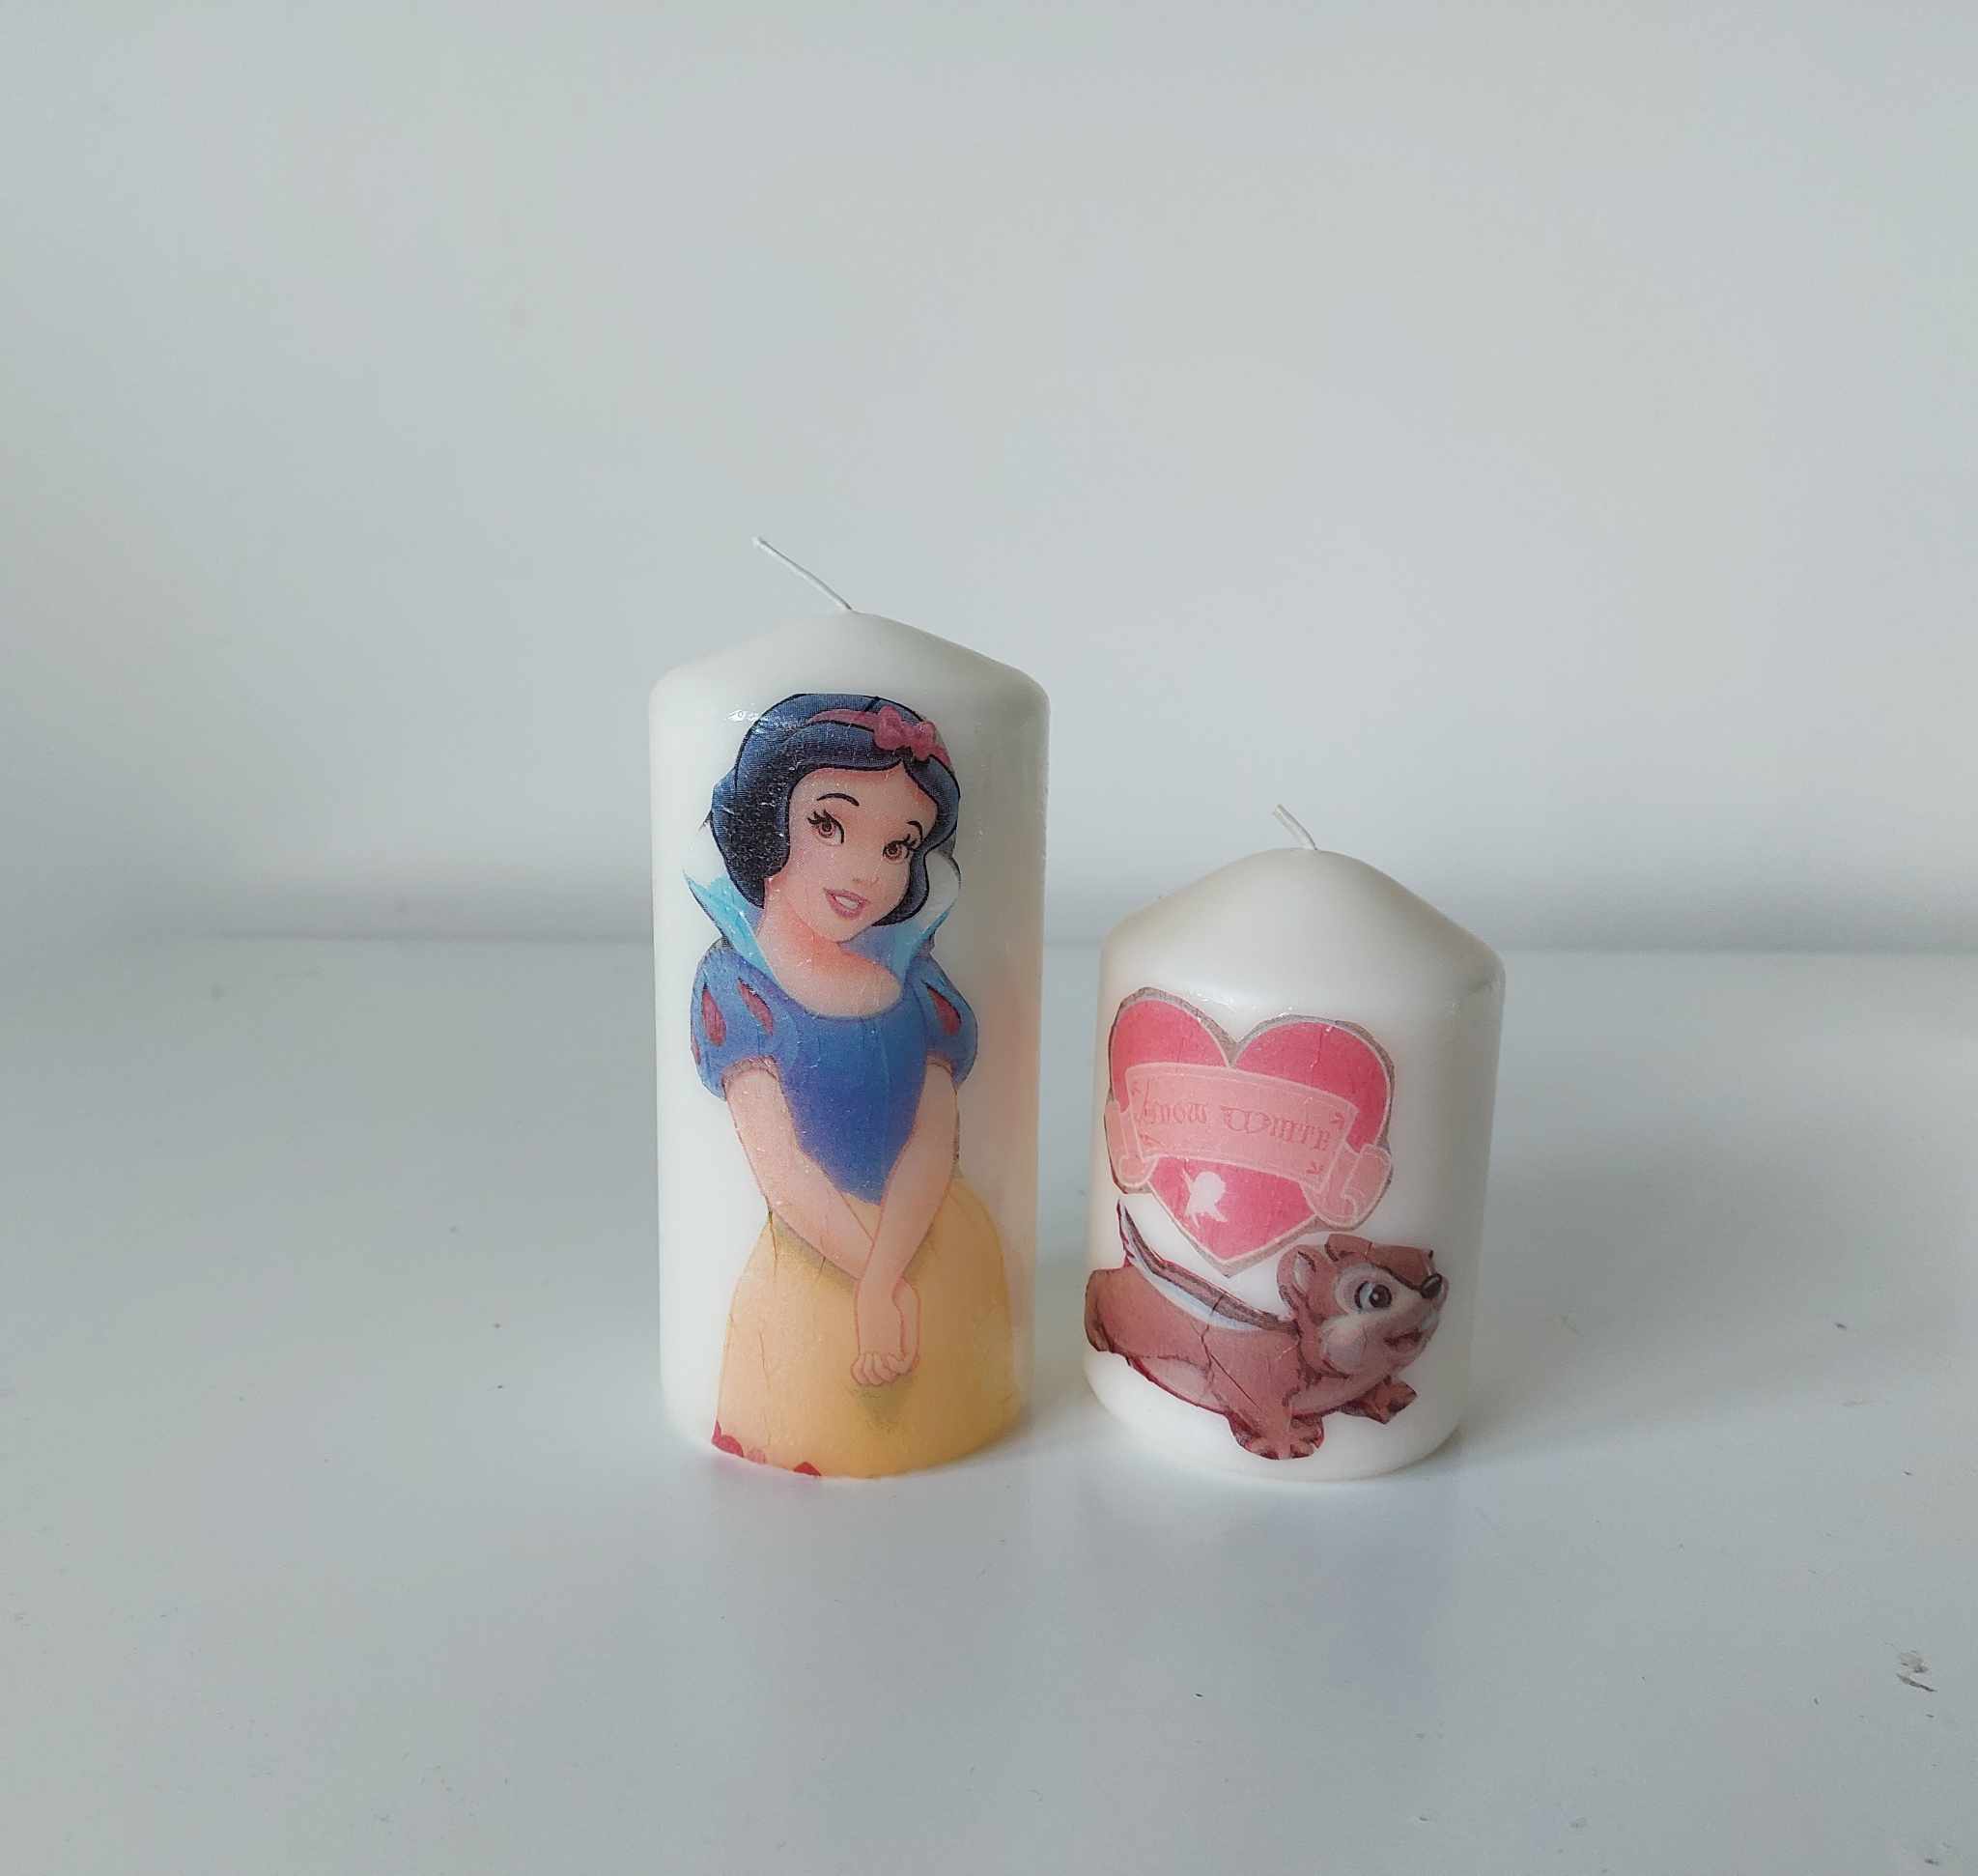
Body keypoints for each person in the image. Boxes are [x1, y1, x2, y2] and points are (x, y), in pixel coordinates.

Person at [687, 693, 1015, 1476]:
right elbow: (781, 1165)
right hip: (815, 1257)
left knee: (940, 1398)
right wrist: (869, 1282)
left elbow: (933, 1138)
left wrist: (885, 1280)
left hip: (929, 1238)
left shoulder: (917, 984)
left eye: (899, 845)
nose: (866, 870)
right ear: (769, 823)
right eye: (830, 825)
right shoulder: (740, 987)